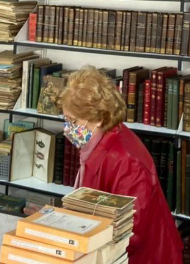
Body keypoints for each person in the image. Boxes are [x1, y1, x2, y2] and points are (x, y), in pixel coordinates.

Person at [58, 68, 183, 264]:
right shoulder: (98, 139)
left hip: (144, 256)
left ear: (98, 119)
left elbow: (131, 228)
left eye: (73, 121)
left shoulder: (126, 160)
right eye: (65, 119)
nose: (68, 129)